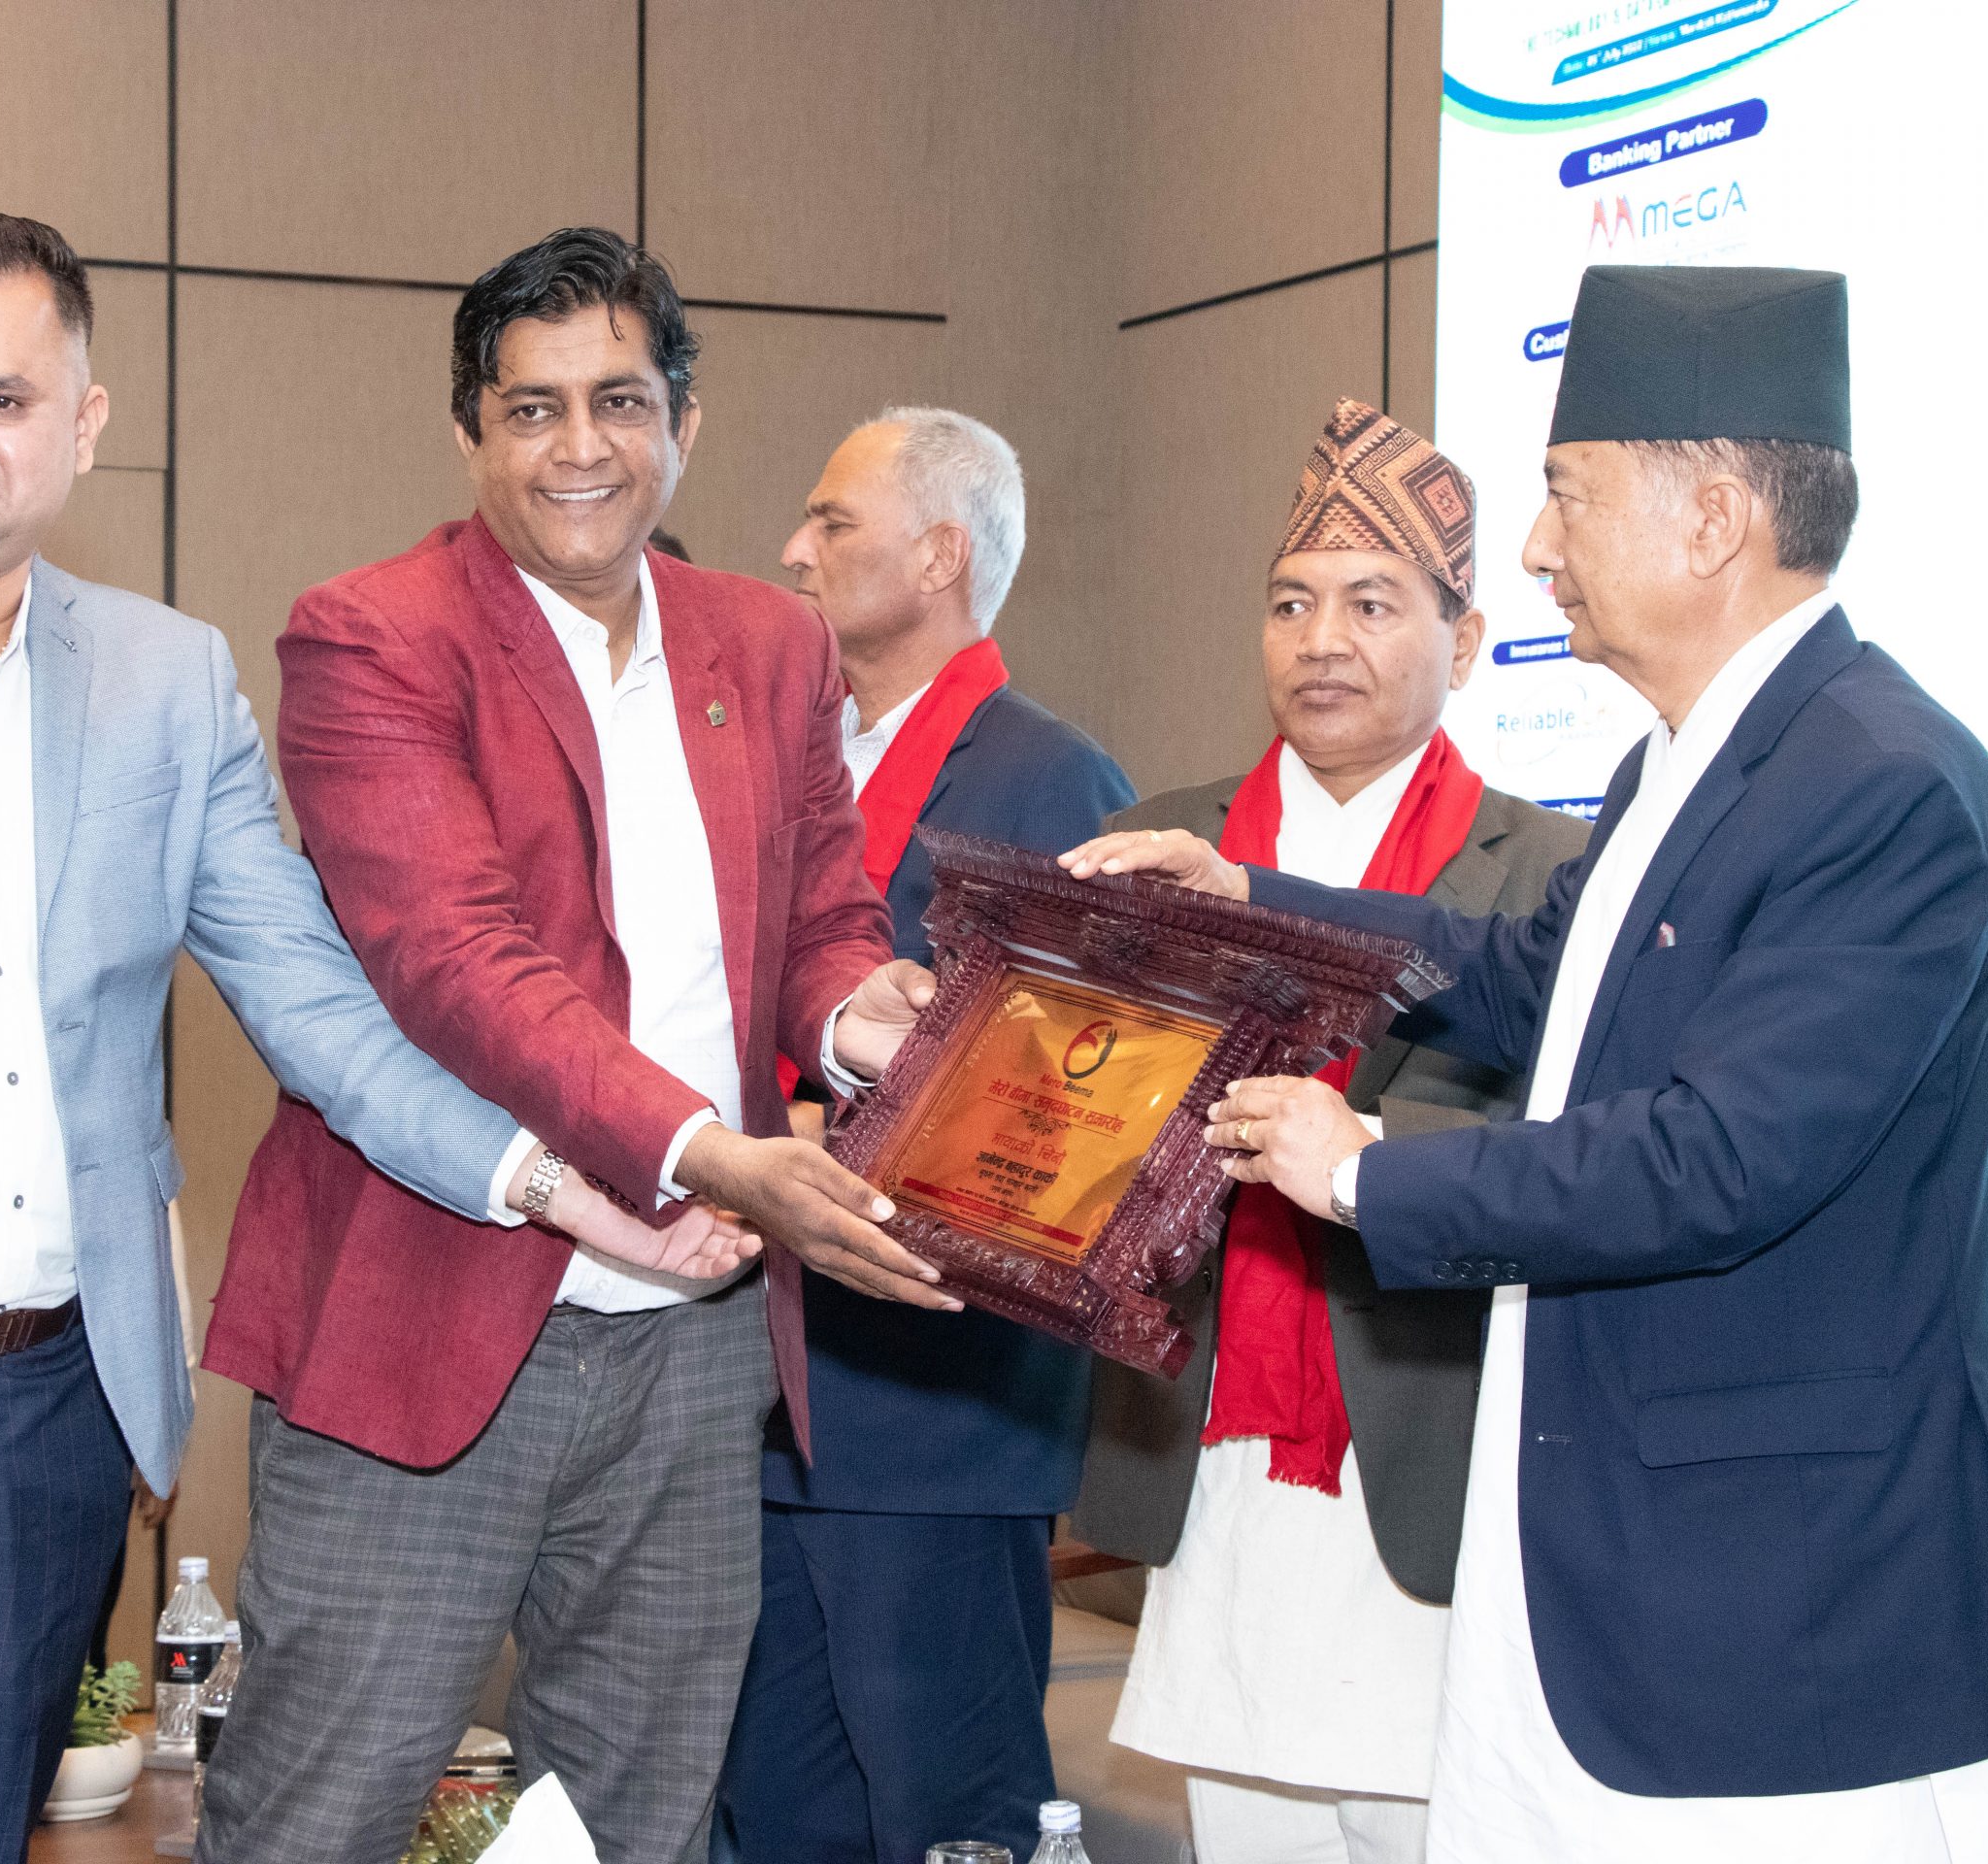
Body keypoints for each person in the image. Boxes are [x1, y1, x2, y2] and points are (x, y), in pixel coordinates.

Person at [0, 209, 716, 1864]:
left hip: (50, 1422)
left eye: (3, 399)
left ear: (82, 424)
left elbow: (318, 1006)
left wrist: (549, 1182)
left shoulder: (167, 679)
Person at [1065, 265, 1988, 1860]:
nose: (1543, 546)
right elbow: (1515, 975)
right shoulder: (1684, 762)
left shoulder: (1883, 783)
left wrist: (1362, 1171)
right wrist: (1248, 901)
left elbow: (1718, 1159)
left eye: (1569, 494)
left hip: (1780, 1612)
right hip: (1613, 1569)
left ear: (1712, 520)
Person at [197, 226, 943, 1864]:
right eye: (530, 409)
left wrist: (860, 1021)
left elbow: (821, 915)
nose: (579, 447)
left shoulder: (772, 644)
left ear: (686, 422)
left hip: (693, 1342)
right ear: (470, 432)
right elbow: (460, 965)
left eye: (619, 401)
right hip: (425, 1313)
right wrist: (710, 1148)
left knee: (632, 1819)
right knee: (318, 1814)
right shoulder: (371, 636)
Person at [1070, 399, 1585, 1862]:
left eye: (1372, 603)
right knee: (1245, 1828)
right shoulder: (1169, 841)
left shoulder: (1547, 866)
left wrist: (1356, 1145)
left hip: (1437, 1447)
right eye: (1290, 603)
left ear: (1466, 642)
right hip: (1212, 1442)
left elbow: (1570, 1144)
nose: (1321, 641)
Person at [714, 408, 1134, 1862]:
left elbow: (1070, 1114)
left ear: (942, 556)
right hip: (766, 1392)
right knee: (777, 1817)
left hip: (935, 1410)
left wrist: (816, 1126)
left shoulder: (1049, 780)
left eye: (832, 522)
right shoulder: (791, 763)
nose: (793, 549)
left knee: (951, 1819)